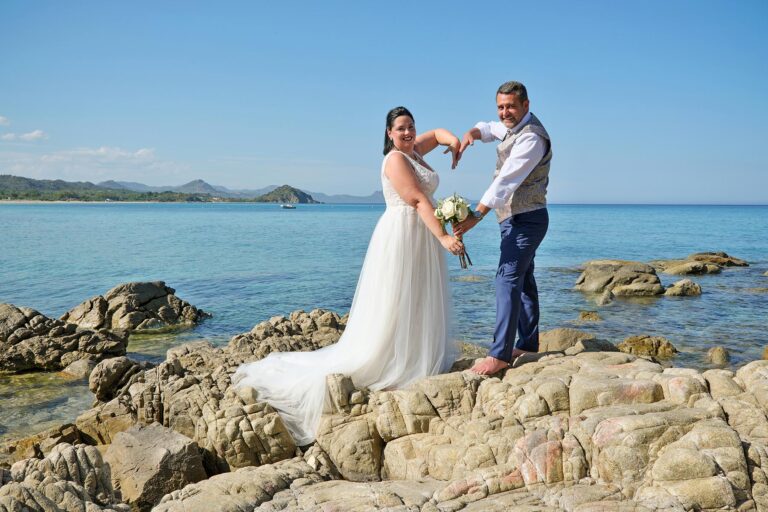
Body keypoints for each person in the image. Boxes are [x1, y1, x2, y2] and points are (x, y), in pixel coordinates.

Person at [234, 106, 462, 445]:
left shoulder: (415, 150)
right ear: (389, 133)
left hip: (421, 234)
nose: (408, 132)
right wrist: (443, 236)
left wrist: (454, 142)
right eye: (401, 128)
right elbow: (416, 199)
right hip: (404, 233)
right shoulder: (396, 160)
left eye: (411, 126)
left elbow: (440, 134)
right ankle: (394, 362)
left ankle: (416, 354)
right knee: (398, 298)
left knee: (419, 297)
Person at [454, 81, 552, 375]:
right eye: (500, 107)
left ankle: (500, 354)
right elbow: (488, 128)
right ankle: (528, 343)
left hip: (527, 219)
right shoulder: (513, 127)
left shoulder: (531, 138)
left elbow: (505, 181)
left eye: (511, 106)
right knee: (524, 280)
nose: (505, 112)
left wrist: (475, 215)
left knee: (506, 279)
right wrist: (471, 134)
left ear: (526, 105)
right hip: (513, 219)